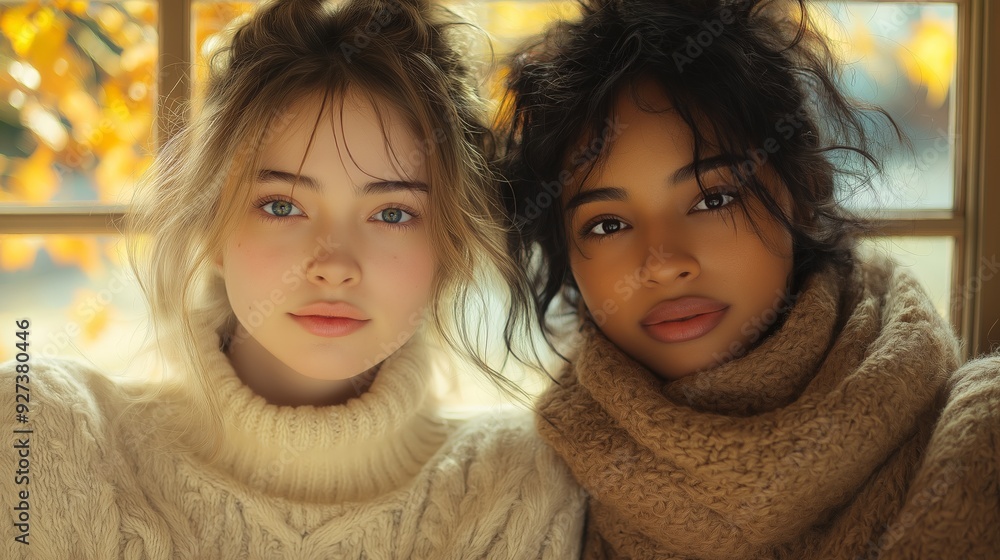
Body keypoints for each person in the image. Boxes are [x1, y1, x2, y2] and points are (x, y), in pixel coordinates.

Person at [0, 0, 585, 557]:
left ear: (449, 247)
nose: (333, 263)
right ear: (211, 224)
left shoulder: (518, 484)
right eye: (282, 206)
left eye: (392, 213)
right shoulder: (47, 434)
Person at [499, 0, 1000, 558]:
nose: (663, 261)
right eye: (608, 223)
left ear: (804, 191)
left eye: (713, 198)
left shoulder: (981, 440)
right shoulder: (525, 490)